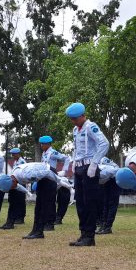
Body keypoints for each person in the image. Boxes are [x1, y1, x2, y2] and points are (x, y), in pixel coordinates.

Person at [65, 103, 110, 247]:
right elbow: (77, 149)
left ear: (83, 115)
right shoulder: (75, 130)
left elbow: (104, 144)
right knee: (80, 202)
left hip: (89, 167)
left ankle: (90, 237)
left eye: (75, 118)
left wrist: (94, 163)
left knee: (89, 202)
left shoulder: (91, 126)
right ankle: (83, 233)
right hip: (79, 167)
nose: (73, 121)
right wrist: (73, 163)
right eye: (71, 119)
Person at [0, 162, 57, 239]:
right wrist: (27, 192)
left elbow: (48, 172)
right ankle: (36, 231)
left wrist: (62, 182)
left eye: (11, 187)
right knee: (38, 206)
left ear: (12, 182)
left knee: (44, 204)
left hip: (49, 173)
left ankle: (41, 230)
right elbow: (17, 186)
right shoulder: (13, 177)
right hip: (43, 177)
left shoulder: (25, 175)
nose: (13, 188)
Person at [39, 136, 71, 228]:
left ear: (48, 144)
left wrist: (64, 171)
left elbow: (67, 158)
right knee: (44, 201)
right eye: (41, 144)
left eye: (43, 144)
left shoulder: (52, 153)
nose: (41, 145)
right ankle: (45, 220)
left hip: (51, 178)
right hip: (44, 177)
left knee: (50, 201)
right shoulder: (44, 153)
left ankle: (50, 223)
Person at [0, 148, 27, 230]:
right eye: (12, 154)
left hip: (20, 184)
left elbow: (22, 175)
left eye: (14, 154)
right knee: (13, 202)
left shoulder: (22, 162)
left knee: (20, 202)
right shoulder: (15, 162)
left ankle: (19, 219)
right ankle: (11, 221)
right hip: (14, 184)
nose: (12, 156)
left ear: (18, 154)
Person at [96, 157, 121, 235]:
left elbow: (115, 169)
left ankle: (108, 227)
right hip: (107, 182)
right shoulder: (95, 160)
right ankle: (103, 225)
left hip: (114, 181)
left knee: (112, 205)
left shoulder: (103, 159)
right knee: (105, 204)